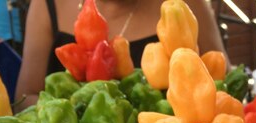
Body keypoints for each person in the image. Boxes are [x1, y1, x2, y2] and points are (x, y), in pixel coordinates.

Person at [15, 0, 226, 107]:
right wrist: (75, 115)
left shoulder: (186, 5)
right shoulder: (47, 4)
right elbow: (25, 97)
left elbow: (221, 80)